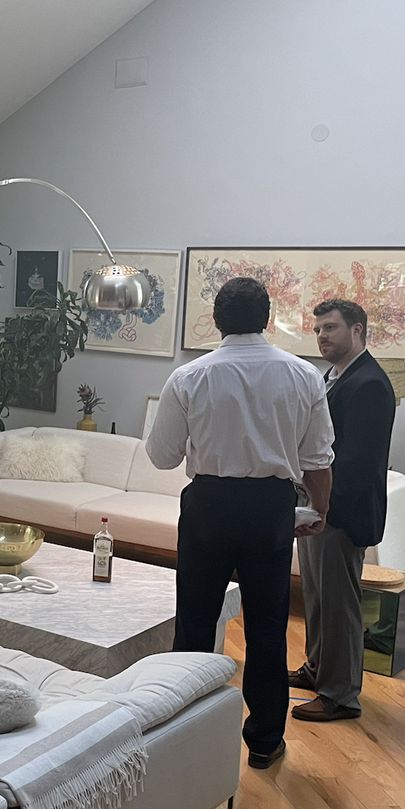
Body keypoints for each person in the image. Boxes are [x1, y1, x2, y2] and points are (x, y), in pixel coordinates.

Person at [145, 277, 334, 770]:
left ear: (216, 321)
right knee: (268, 628)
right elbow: (317, 458)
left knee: (194, 622)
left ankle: (180, 733)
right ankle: (266, 739)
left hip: (209, 504)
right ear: (267, 319)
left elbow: (162, 457)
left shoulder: (189, 377)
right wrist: (319, 510)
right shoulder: (304, 375)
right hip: (271, 506)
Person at [290, 298, 397, 722]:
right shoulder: (332, 376)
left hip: (340, 513)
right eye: (318, 329)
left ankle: (340, 696)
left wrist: (322, 506)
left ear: (357, 330)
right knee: (317, 598)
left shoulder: (369, 383)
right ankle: (318, 671)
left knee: (339, 606)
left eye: (331, 328)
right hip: (316, 508)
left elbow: (357, 462)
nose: (322, 336)